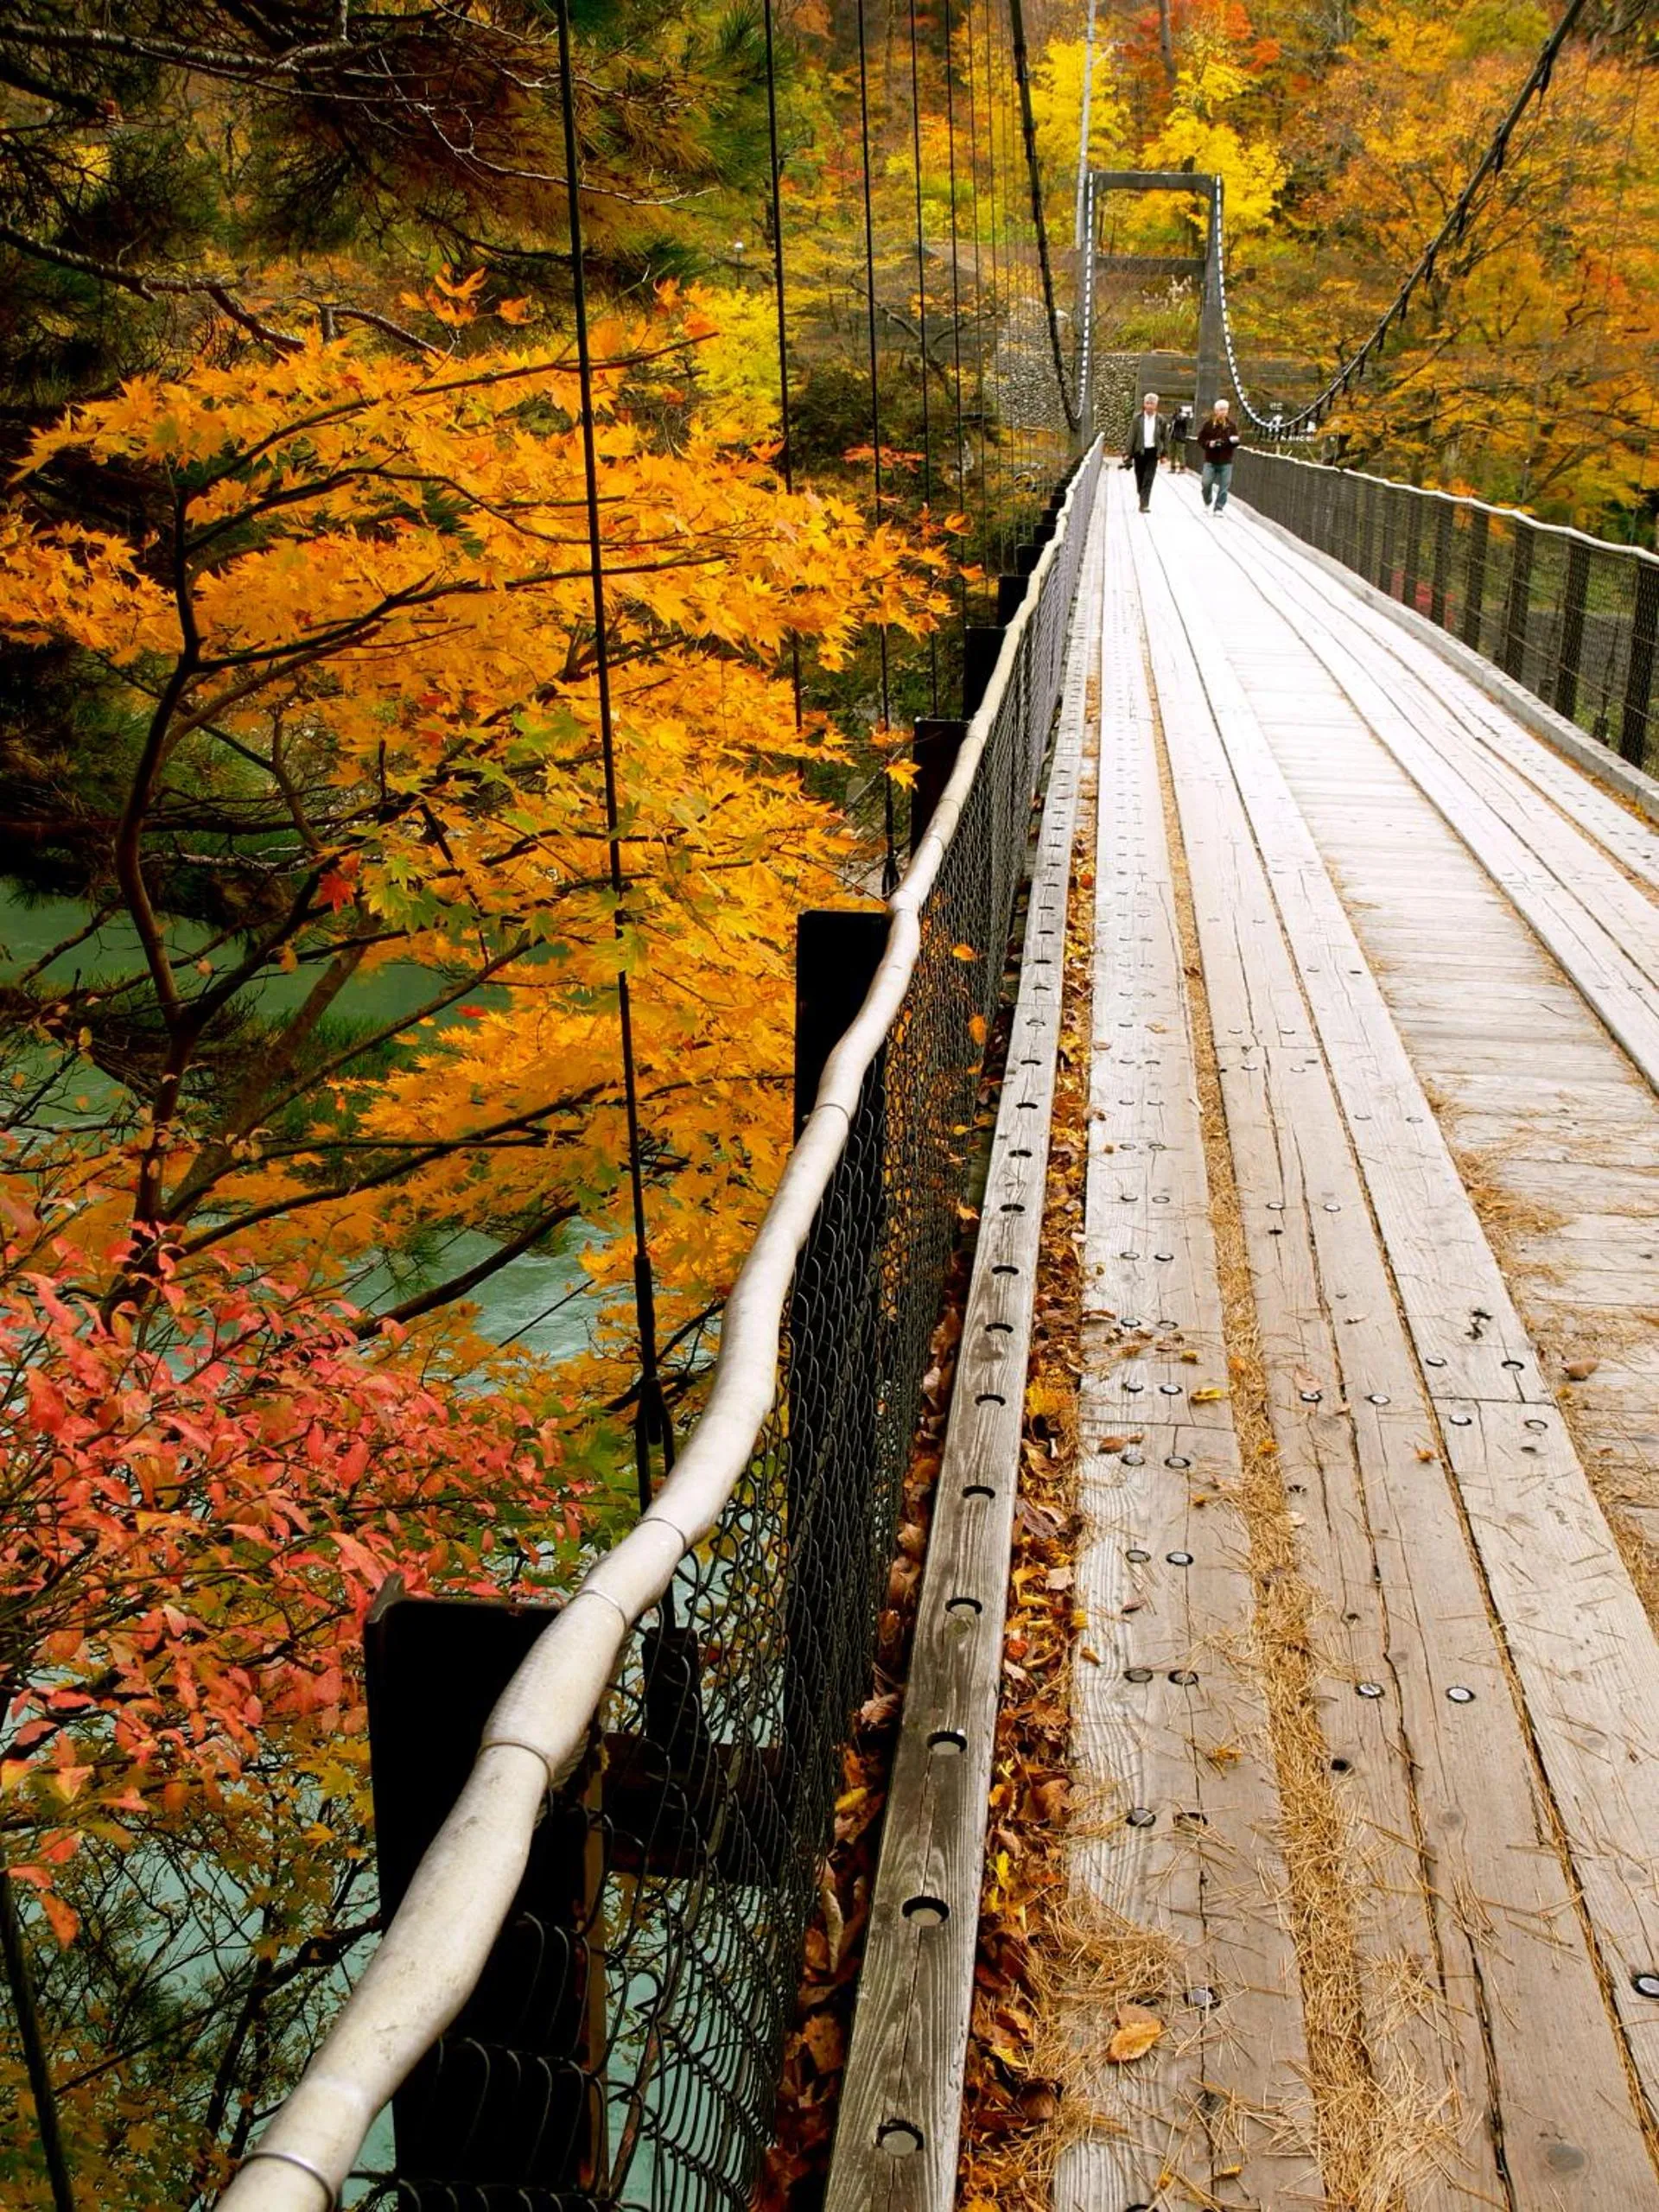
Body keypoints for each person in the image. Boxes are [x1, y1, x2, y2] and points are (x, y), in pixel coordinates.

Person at [1197, 397, 1242, 514]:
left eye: (1225, 409)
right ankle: (1207, 501)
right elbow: (1200, 440)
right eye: (1221, 409)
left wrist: (1233, 441)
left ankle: (1219, 507)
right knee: (1206, 483)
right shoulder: (1208, 425)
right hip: (1211, 459)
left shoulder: (1231, 426)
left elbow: (1236, 442)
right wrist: (1209, 444)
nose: (1223, 412)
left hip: (1226, 459)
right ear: (1215, 411)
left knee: (1224, 486)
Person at [1123, 391, 1165, 513]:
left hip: (1153, 452)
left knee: (1149, 478)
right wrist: (1128, 453)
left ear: (1156, 405)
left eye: (1152, 403)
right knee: (1140, 477)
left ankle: (1144, 504)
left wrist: (1164, 454)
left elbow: (1165, 437)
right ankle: (1142, 495)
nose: (1150, 406)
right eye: (1147, 403)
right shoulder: (1137, 419)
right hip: (1139, 452)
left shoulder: (1161, 420)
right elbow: (1132, 436)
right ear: (1144, 404)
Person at [1168, 404, 1192, 472]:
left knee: (1180, 453)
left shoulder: (1182, 418)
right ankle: (1172, 467)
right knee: (1172, 453)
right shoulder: (1173, 418)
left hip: (1180, 437)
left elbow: (1181, 423)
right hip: (1173, 436)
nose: (1175, 412)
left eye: (1176, 411)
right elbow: (1172, 427)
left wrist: (1177, 416)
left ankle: (1182, 467)